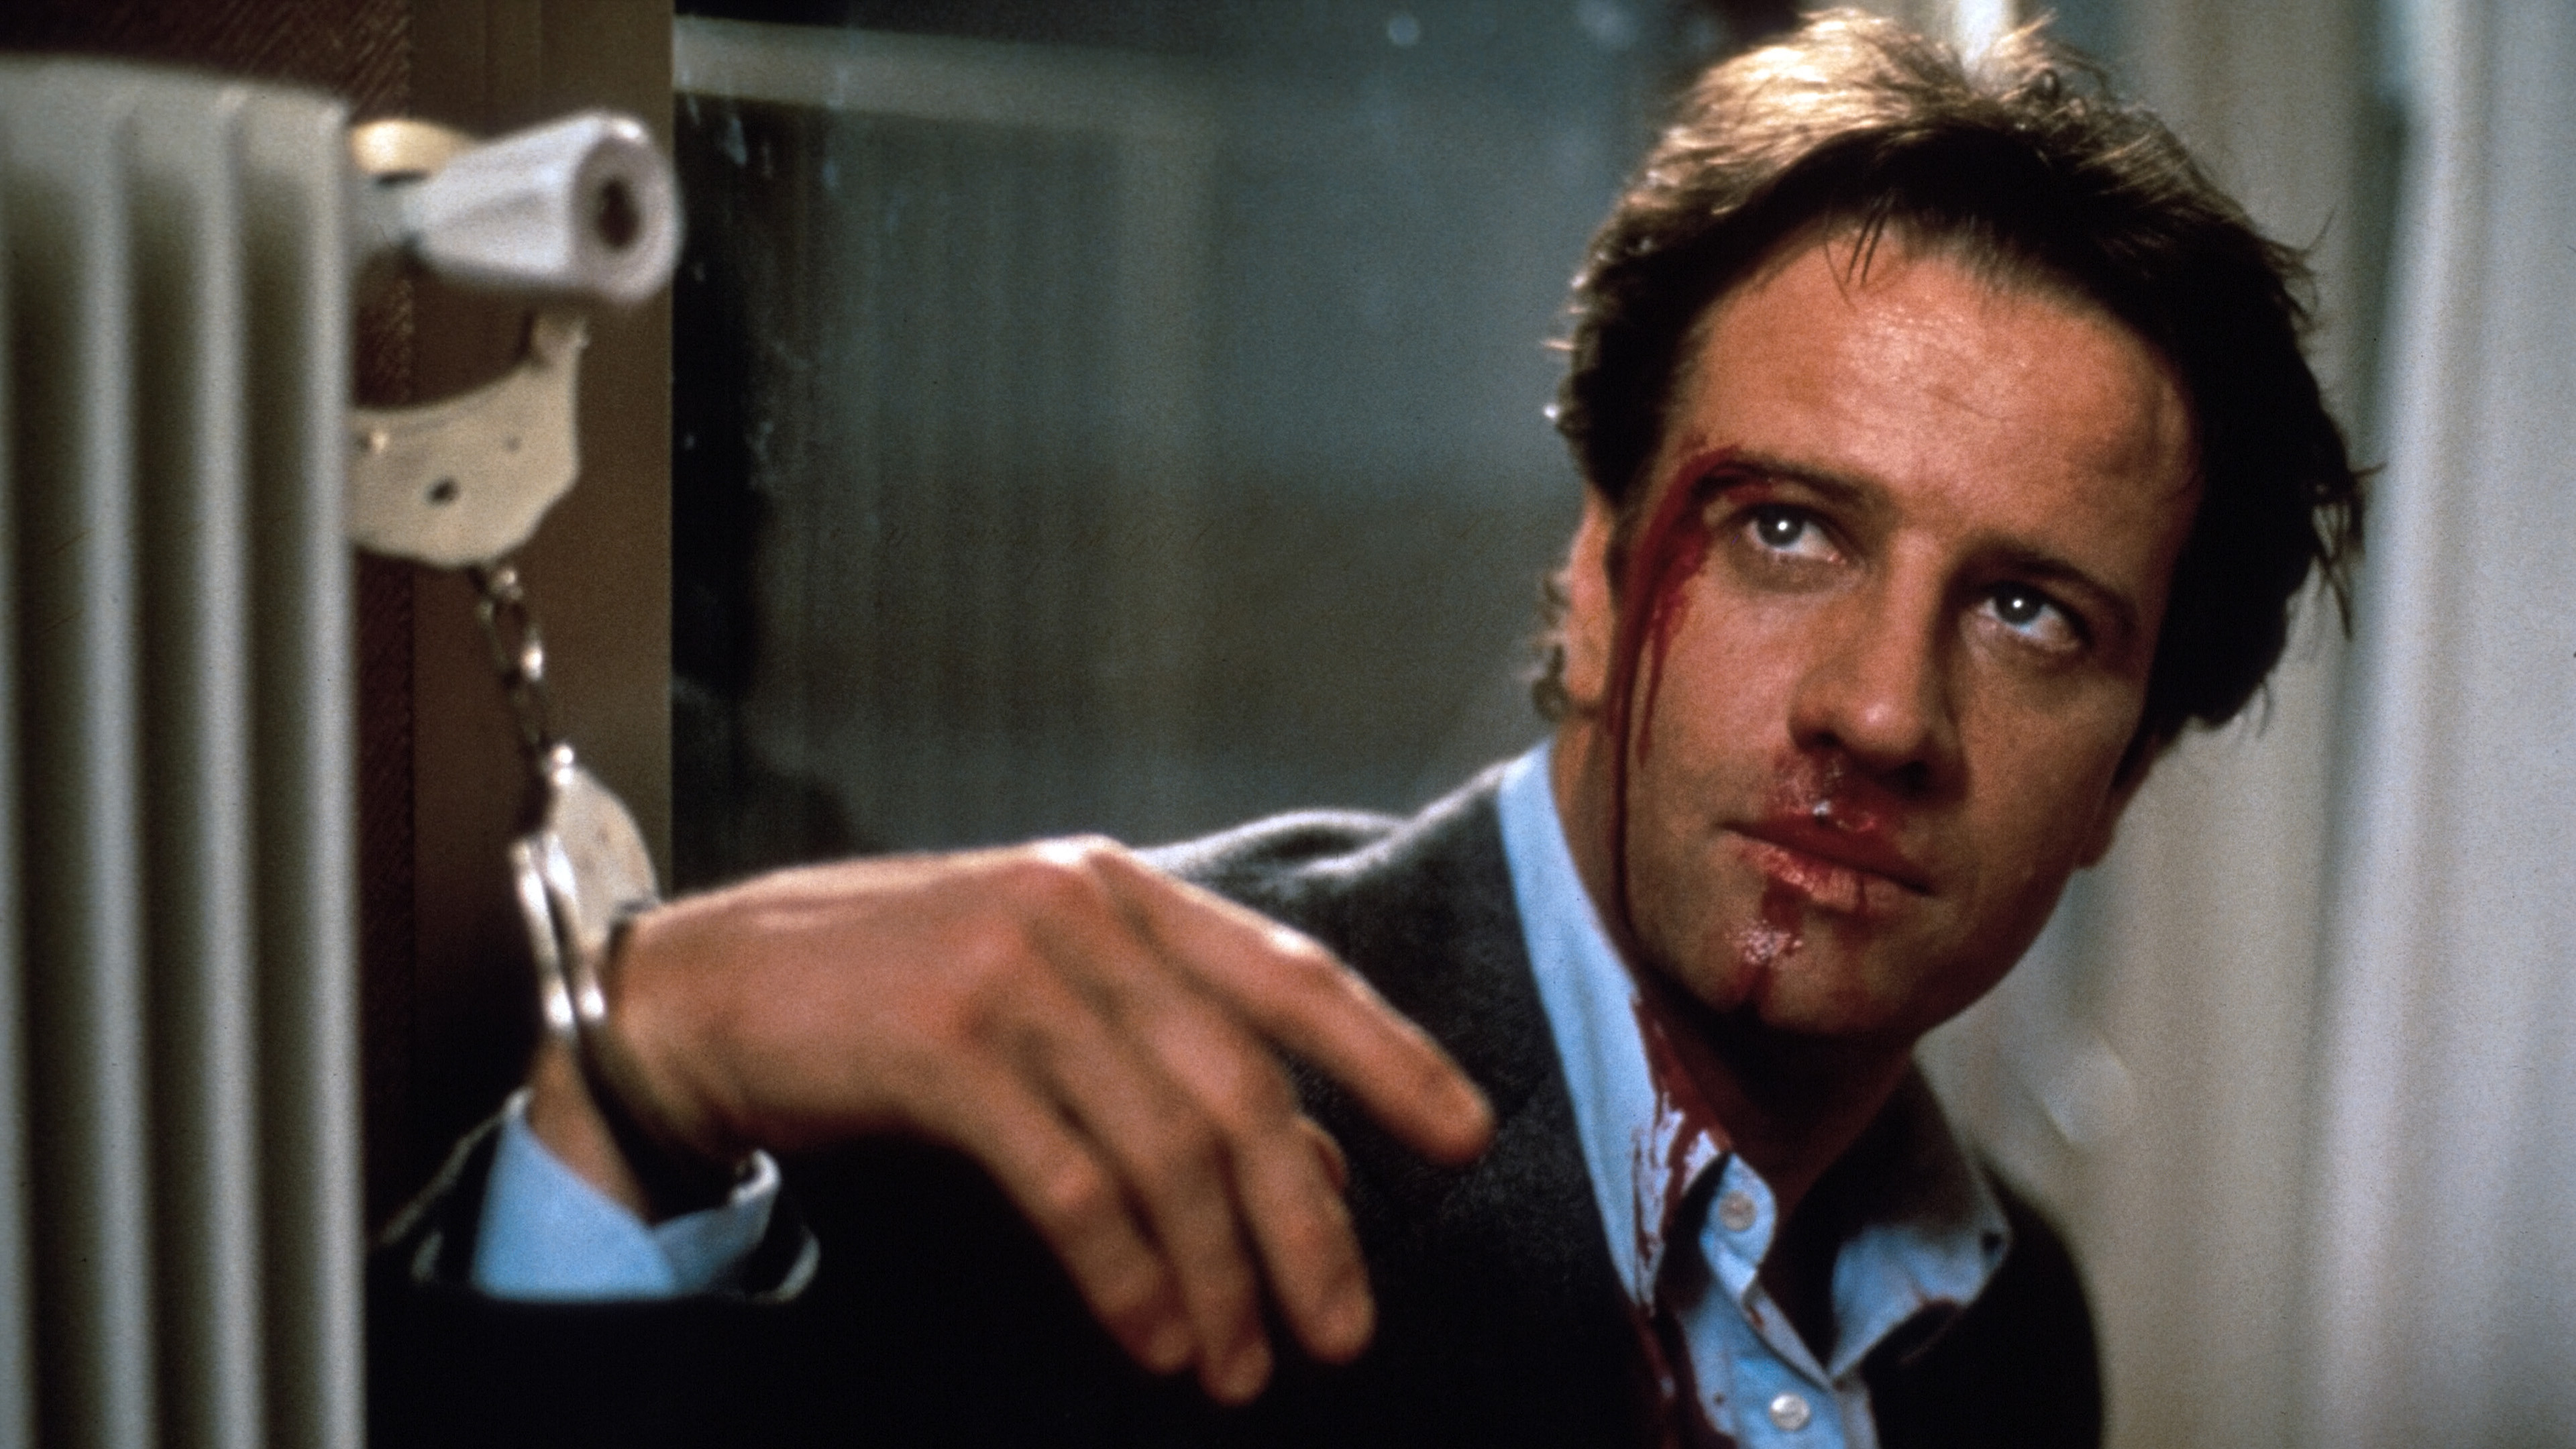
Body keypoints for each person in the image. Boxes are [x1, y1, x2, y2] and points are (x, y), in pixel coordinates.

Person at [369, 13, 2362, 1447]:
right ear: (1596, 582)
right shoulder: (1110, 1114)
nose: (1878, 709)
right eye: (1782, 530)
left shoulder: (2011, 1333)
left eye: (2030, 614)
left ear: (2130, 770)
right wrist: (634, 1103)